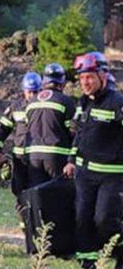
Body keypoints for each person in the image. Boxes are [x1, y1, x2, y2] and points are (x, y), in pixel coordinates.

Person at [64, 53, 123, 269]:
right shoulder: (82, 102)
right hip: (84, 175)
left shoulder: (117, 102)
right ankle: (87, 264)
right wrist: (71, 159)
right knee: (82, 220)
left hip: (113, 176)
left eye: (89, 77)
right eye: (81, 79)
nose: (85, 83)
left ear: (102, 76)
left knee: (105, 220)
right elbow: (79, 134)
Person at [0, 72, 41, 230]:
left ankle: (37, 225)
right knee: (19, 191)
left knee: (37, 192)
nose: (32, 95)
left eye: (36, 92)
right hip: (20, 157)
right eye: (30, 92)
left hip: (38, 157)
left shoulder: (44, 106)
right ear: (24, 91)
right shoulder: (16, 107)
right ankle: (25, 226)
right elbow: (3, 129)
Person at [25, 63, 75, 187]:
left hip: (33, 156)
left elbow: (27, 129)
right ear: (62, 83)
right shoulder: (66, 102)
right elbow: (74, 132)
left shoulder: (31, 102)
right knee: (57, 196)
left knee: (38, 196)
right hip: (57, 156)